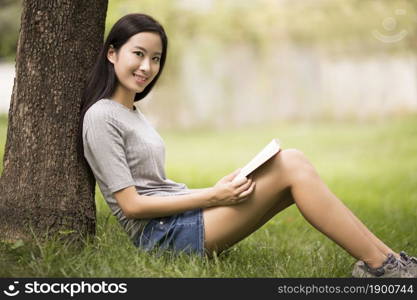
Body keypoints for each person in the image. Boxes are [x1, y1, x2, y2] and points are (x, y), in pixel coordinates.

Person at [78, 13, 416, 278]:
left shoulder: (131, 112)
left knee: (291, 168)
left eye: (155, 58)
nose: (147, 67)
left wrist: (217, 189)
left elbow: (157, 190)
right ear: (112, 53)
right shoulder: (101, 117)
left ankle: (388, 261)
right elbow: (133, 205)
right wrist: (214, 196)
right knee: (292, 164)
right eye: (138, 54)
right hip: (162, 237)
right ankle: (381, 267)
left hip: (180, 219)